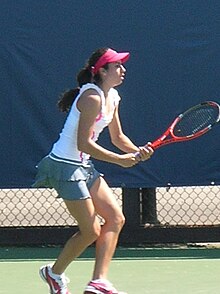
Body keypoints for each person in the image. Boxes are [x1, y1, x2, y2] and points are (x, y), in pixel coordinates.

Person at [33, 47, 154, 294]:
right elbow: (83, 143)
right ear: (102, 71)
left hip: (84, 165)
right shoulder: (92, 98)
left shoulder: (114, 97)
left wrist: (137, 150)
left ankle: (98, 281)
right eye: (117, 65)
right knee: (91, 230)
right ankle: (53, 273)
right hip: (65, 166)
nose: (123, 69)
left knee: (116, 218)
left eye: (122, 65)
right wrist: (120, 161)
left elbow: (118, 137)